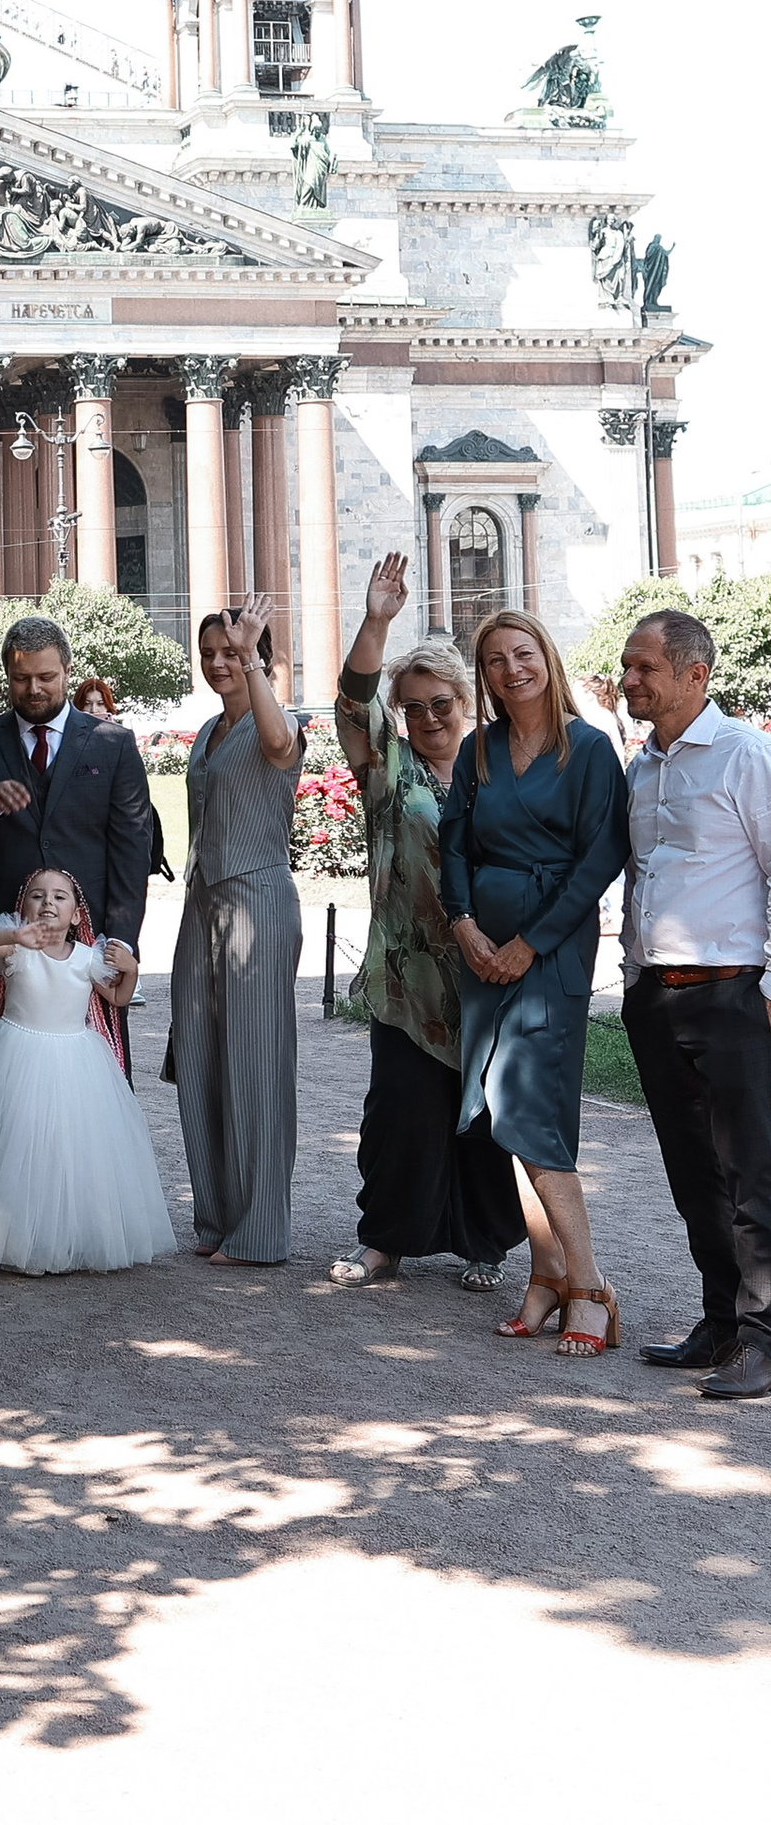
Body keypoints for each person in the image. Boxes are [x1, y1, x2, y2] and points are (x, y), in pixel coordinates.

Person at [440, 606, 633, 1356]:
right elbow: (452, 841)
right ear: (483, 675)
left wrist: (532, 942)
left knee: (534, 1111)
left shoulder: (586, 750)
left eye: (522, 654)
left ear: (546, 659)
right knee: (500, 1108)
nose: (510, 669)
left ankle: (590, 1286)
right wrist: (463, 924)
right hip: (480, 946)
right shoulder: (477, 749)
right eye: (494, 660)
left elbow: (601, 858)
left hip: (548, 950)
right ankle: (547, 1276)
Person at [328, 557, 521, 1290]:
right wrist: (377, 620)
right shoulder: (388, 768)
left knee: (482, 1113)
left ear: (465, 702)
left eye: (441, 702)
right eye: (414, 705)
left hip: (488, 968)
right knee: (400, 1111)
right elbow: (352, 702)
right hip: (407, 976)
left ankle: (486, 1243)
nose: (429, 716)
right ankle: (384, 1241)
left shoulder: (497, 769)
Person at [614, 611, 771, 1400]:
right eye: (627, 666)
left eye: (644, 667)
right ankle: (720, 1320)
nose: (630, 680)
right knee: (691, 1174)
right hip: (655, 997)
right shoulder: (643, 766)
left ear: (694, 674)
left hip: (731, 995)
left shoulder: (745, 755)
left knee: (754, 1173)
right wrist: (631, 968)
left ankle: (765, 1336)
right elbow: (644, 876)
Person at [0, 867, 176, 1274]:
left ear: (75, 914)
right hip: (17, 1054)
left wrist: (133, 970)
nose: (47, 902)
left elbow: (119, 998)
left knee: (70, 1147)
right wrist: (14, 936)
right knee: (19, 1140)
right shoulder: (15, 948)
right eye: (37, 895)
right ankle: (15, 1234)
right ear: (24, 906)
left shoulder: (88, 958)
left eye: (59, 896)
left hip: (76, 1059)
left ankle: (66, 1235)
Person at [168, 595, 306, 1265]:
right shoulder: (205, 732)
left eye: (236, 652)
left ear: (262, 656)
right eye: (213, 654)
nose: (220, 663)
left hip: (258, 903)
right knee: (198, 1060)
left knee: (255, 1066)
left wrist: (256, 664)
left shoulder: (278, 721)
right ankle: (217, 1219)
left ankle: (258, 1233)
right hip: (202, 906)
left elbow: (278, 746)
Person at [0, 615, 156, 986]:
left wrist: (120, 938)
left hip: (91, 940)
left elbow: (132, 850)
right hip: (4, 941)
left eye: (46, 677)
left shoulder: (114, 744)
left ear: (67, 671)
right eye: (21, 679)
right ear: (7, 673)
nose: (34, 689)